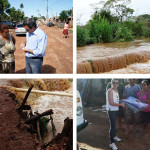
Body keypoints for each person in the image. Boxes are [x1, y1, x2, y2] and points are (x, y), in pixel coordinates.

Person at [106, 79, 126, 150]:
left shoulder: (116, 91)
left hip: (116, 109)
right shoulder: (110, 91)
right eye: (113, 83)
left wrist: (122, 101)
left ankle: (114, 136)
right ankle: (111, 143)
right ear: (111, 83)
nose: (115, 84)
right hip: (111, 110)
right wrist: (121, 104)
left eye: (116, 83)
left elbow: (116, 100)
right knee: (113, 126)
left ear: (118, 84)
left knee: (114, 124)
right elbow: (111, 103)